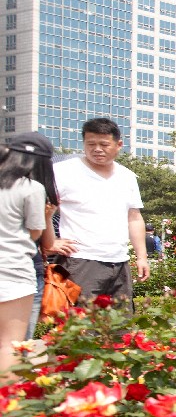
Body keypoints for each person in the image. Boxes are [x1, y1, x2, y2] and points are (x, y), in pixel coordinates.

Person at [49, 118, 148, 304]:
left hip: (119, 261)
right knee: (81, 325)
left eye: (104, 144)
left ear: (118, 145)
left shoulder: (126, 176)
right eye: (91, 144)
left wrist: (141, 257)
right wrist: (50, 242)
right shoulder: (63, 171)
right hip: (80, 261)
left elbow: (134, 218)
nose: (97, 149)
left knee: (120, 325)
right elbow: (43, 210)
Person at [0, 144, 47, 373]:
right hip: (13, 270)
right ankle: (7, 405)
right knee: (10, 344)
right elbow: (36, 232)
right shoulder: (31, 188)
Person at [6, 133, 58, 339]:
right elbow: (43, 240)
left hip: (27, 269)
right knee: (17, 345)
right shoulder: (36, 189)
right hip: (21, 271)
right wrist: (47, 217)